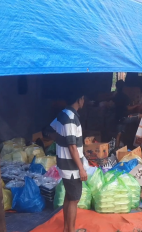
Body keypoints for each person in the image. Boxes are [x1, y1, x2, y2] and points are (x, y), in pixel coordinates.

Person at [48, 92, 88, 232]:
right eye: (83, 98)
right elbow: (72, 146)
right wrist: (81, 168)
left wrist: (60, 145)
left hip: (63, 164)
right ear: (79, 99)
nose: (84, 101)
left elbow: (52, 131)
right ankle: (70, 230)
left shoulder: (63, 114)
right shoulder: (71, 118)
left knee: (69, 196)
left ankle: (66, 229)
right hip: (71, 168)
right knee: (74, 200)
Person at [112, 80, 140, 147]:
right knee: (140, 116)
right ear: (124, 87)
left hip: (117, 117)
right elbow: (128, 108)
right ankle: (138, 142)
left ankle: (116, 148)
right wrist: (137, 105)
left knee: (119, 133)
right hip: (124, 118)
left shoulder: (116, 95)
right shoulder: (125, 97)